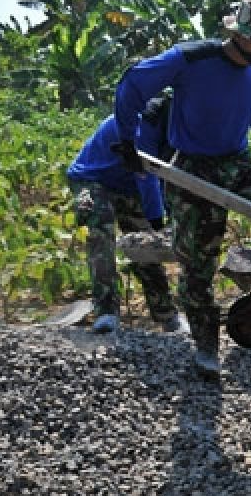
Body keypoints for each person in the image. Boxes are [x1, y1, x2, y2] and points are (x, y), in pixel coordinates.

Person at [113, 0, 251, 378]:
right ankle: (206, 343)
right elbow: (131, 85)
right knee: (198, 262)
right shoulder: (191, 59)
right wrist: (128, 141)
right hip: (194, 170)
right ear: (239, 37)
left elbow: (250, 97)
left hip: (238, 164)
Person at [67, 91, 185, 334]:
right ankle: (106, 311)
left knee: (144, 244)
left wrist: (169, 216)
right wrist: (157, 222)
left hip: (129, 185)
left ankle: (166, 314)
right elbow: (147, 176)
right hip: (93, 179)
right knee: (102, 233)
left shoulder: (179, 129)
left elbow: (169, 175)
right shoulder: (143, 125)